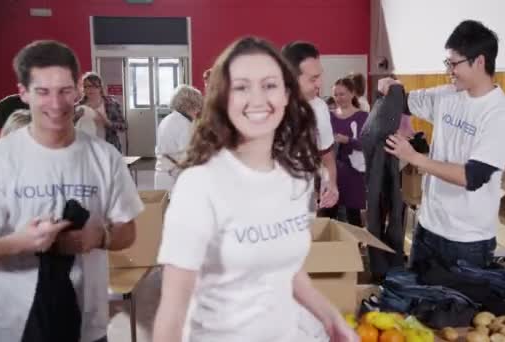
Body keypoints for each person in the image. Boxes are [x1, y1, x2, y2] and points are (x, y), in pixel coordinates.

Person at [152, 36, 357, 342]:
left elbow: (285, 268)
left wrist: (330, 318)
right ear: (223, 99)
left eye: (270, 85)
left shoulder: (294, 177)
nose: (258, 100)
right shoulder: (200, 185)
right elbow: (172, 311)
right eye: (242, 87)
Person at [0, 40, 143, 342]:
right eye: (42, 92)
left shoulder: (105, 157)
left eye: (64, 91)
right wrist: (19, 243)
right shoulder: (1, 159)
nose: (56, 104)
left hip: (89, 323)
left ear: (78, 90)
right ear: (23, 92)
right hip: (14, 324)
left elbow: (128, 231)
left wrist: (99, 236)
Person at [383, 20, 505, 268]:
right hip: (427, 229)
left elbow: (472, 176)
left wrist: (414, 157)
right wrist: (389, 86)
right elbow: (402, 101)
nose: (449, 70)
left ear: (479, 62)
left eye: (453, 63)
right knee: (416, 303)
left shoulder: (501, 115)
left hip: (467, 241)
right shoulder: (448, 95)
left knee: (459, 307)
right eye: (447, 63)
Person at [281, 41, 339, 209]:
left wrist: (330, 182)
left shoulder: (319, 108)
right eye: (313, 79)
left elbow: (326, 156)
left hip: (303, 205)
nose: (320, 84)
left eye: (320, 75)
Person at [319, 77, 368, 227]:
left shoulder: (363, 117)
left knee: (353, 216)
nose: (338, 98)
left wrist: (348, 140)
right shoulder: (329, 116)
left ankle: (354, 248)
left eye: (342, 94)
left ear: (352, 94)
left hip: (353, 173)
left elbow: (367, 145)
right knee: (327, 214)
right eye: (336, 94)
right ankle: (332, 248)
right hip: (331, 170)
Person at [154, 85, 203, 190]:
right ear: (189, 105)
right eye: (197, 106)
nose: (198, 110)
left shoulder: (167, 119)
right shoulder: (184, 124)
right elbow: (190, 156)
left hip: (162, 175)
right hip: (174, 178)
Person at [76, 72, 128, 152]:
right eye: (86, 86)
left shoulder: (112, 104)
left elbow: (124, 126)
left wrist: (107, 122)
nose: (90, 89)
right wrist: (75, 118)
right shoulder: (77, 107)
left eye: (94, 86)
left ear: (100, 88)